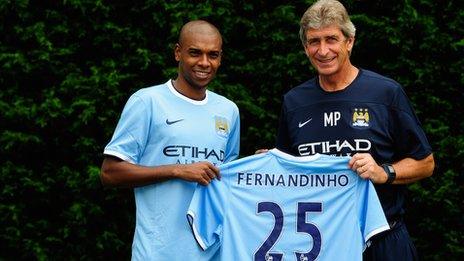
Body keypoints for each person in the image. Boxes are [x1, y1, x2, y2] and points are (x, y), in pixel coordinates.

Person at [275, 0, 435, 260]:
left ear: (349, 41)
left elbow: (425, 163)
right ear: (305, 48)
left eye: (331, 39)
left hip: (384, 240)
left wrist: (385, 172)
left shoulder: (386, 93)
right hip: (320, 245)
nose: (323, 50)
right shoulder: (294, 102)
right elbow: (287, 175)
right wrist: (270, 164)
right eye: (314, 41)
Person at [100, 20, 240, 260]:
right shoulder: (148, 102)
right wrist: (177, 170)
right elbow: (110, 173)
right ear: (178, 53)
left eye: (213, 55)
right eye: (195, 53)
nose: (204, 63)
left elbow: (226, 180)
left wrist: (263, 163)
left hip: (214, 254)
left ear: (220, 58)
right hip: (158, 253)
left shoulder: (228, 110)